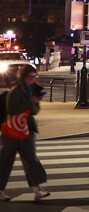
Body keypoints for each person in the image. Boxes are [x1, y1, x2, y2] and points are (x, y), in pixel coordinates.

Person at [0, 65, 50, 201]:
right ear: (23, 76)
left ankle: (37, 189)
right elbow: (11, 110)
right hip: (12, 131)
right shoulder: (15, 90)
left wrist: (35, 101)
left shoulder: (31, 89)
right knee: (5, 161)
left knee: (31, 159)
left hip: (26, 129)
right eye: (30, 77)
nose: (32, 80)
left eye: (34, 77)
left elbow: (34, 111)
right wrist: (30, 102)